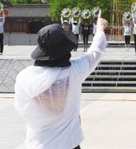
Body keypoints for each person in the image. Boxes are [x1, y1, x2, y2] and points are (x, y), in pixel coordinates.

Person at [14, 11, 108, 149]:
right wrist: (100, 30)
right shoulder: (73, 72)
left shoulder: (24, 77)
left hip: (37, 144)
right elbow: (96, 52)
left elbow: (21, 108)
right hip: (69, 144)